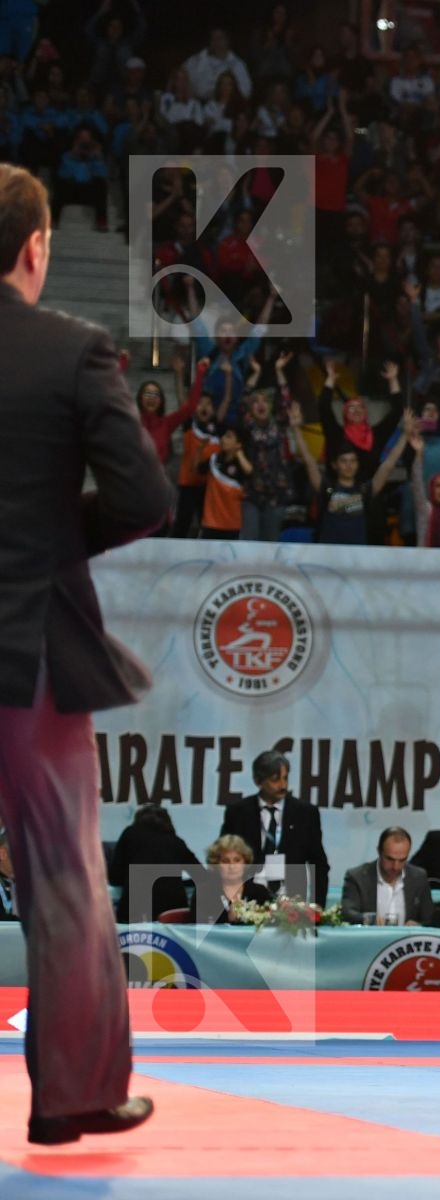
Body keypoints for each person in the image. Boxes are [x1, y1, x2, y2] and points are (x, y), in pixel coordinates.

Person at [0, 164, 169, 1144]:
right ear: (36, 248)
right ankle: (71, 1097)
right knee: (63, 878)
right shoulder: (72, 352)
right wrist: (56, 534)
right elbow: (145, 498)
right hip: (29, 657)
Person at [218, 750, 330, 906]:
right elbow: (223, 859)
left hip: (292, 904)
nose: (283, 785)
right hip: (247, 900)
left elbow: (319, 865)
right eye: (275, 780)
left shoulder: (305, 813)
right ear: (258, 781)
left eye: (285, 778)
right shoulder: (238, 813)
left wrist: (317, 909)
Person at [107, 803, 199, 923]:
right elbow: (200, 874)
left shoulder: (130, 834)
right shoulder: (176, 842)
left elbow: (114, 876)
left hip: (135, 908)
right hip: (172, 911)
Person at [341, 828, 434, 926]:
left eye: (402, 860)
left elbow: (430, 918)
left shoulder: (419, 877)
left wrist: (419, 925)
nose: (396, 867)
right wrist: (371, 920)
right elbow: (347, 913)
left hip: (406, 940)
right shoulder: (357, 877)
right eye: (390, 859)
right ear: (379, 851)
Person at [197, 834, 270, 925]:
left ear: (245, 863)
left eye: (237, 860)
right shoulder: (204, 893)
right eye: (225, 861)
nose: (232, 866)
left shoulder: (260, 892)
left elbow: (270, 926)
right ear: (216, 865)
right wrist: (226, 918)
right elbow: (196, 929)